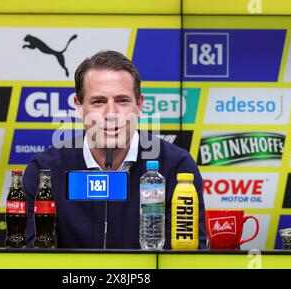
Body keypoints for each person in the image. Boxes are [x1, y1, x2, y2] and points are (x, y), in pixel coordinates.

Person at [23, 50, 207, 249]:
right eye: (98, 102)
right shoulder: (44, 171)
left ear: (139, 105)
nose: (111, 114)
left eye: (122, 100)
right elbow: (36, 258)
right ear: (79, 106)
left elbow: (188, 258)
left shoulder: (177, 167)